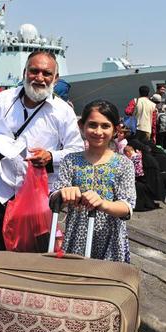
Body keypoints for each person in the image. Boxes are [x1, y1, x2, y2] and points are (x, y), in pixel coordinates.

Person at [0, 50, 84, 250]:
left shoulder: (63, 111)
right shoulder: (3, 101)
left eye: (46, 73)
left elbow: (77, 150)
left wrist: (51, 156)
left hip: (43, 198)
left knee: (39, 258)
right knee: (6, 251)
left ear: (56, 78)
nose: (40, 78)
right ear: (25, 72)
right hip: (6, 192)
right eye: (34, 71)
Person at [52, 100, 136, 263]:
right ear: (81, 126)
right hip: (77, 238)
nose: (98, 131)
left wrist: (103, 204)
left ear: (115, 129)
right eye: (92, 125)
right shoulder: (70, 160)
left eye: (105, 126)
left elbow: (127, 207)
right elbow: (54, 199)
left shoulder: (124, 164)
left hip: (111, 243)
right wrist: (63, 194)